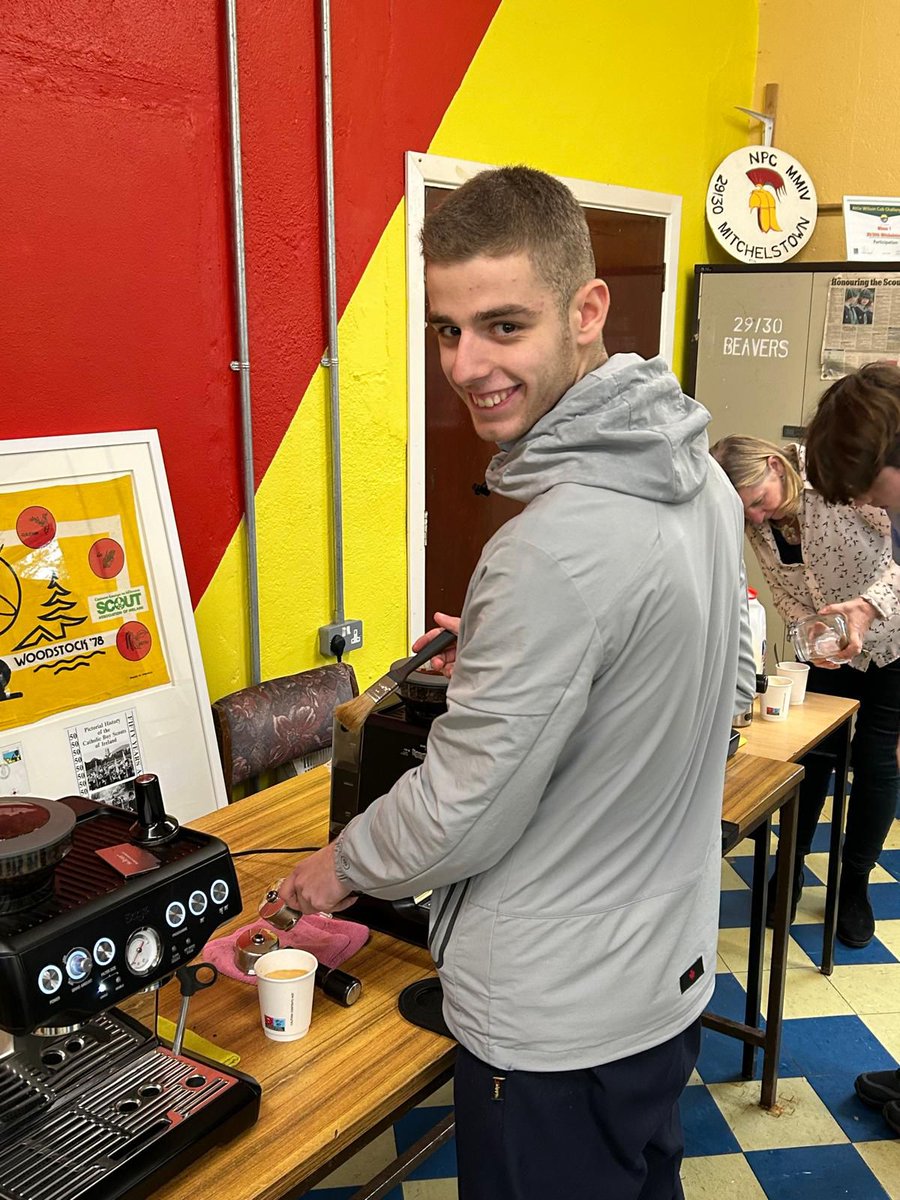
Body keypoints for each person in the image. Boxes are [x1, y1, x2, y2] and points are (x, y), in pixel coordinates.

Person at [280, 165, 752, 1200]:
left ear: (588, 311)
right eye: (448, 330)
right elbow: (730, 672)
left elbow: (464, 813)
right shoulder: (702, 474)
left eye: (503, 325)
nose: (467, 363)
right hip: (662, 972)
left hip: (556, 1014)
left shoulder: (551, 549)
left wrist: (337, 869)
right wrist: (523, 650)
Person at [710, 435, 900, 950]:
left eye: (755, 501)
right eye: (743, 510)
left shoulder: (842, 483)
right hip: (831, 646)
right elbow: (784, 590)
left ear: (776, 466)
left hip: (890, 637)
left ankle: (853, 884)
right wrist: (807, 634)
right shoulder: (758, 521)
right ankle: (788, 873)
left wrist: (866, 607)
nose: (754, 518)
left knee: (875, 758)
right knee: (814, 756)